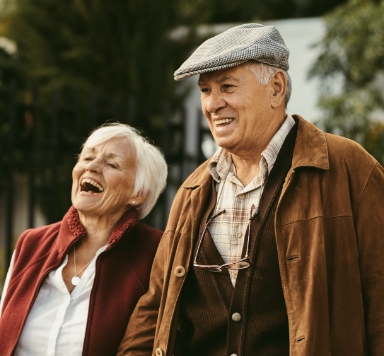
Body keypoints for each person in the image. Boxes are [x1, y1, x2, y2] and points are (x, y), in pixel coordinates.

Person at [118, 24, 384, 356]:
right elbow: (157, 306)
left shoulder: (349, 168)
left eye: (227, 87)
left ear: (276, 88)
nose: (212, 104)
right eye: (205, 90)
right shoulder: (194, 189)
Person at [0, 123, 168, 355]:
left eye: (111, 164)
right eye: (88, 157)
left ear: (138, 195)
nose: (92, 167)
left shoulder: (157, 252)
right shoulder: (30, 243)